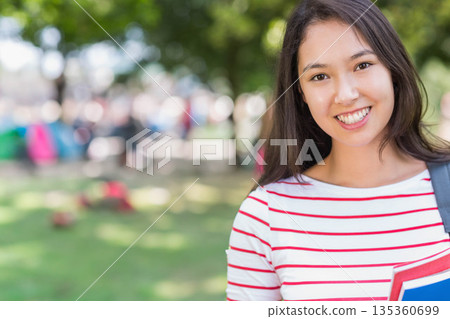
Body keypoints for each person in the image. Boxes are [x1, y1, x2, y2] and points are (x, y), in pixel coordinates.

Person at [226, 0, 450, 301]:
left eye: (362, 65)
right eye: (319, 76)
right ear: (300, 93)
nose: (346, 95)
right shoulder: (264, 216)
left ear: (392, 70)